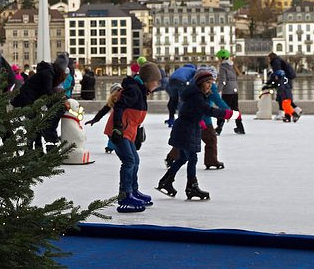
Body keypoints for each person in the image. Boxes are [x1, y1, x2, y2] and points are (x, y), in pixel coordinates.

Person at [156, 68, 234, 200]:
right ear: (200, 83)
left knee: (182, 158)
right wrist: (226, 113)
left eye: (212, 82)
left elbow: (190, 110)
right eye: (208, 82)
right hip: (187, 129)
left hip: (185, 127)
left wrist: (199, 121)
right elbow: (207, 109)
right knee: (192, 158)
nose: (210, 85)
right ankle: (191, 187)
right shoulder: (196, 95)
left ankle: (166, 181)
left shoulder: (193, 93)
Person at [104, 61, 161, 213]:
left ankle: (133, 190)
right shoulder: (133, 89)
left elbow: (134, 117)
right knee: (129, 161)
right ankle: (124, 196)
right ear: (148, 79)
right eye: (155, 80)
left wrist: (135, 136)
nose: (156, 84)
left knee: (135, 160)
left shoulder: (140, 90)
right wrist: (116, 128)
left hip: (127, 132)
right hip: (119, 131)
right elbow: (119, 107)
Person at [10, 53, 70, 151]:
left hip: (31, 100)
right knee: (34, 126)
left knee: (36, 126)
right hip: (27, 101)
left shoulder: (49, 72)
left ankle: (37, 150)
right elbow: (47, 93)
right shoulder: (48, 73)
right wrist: (56, 105)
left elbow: (48, 92)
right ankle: (30, 151)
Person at [86, 82, 122, 153]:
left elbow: (104, 110)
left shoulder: (120, 96)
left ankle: (113, 146)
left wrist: (95, 119)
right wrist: (95, 119)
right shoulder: (119, 96)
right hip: (121, 118)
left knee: (113, 131)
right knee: (113, 131)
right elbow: (105, 109)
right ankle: (111, 146)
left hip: (120, 118)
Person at [215, 49, 244, 134]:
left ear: (222, 58)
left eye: (219, 58)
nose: (218, 60)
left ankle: (219, 128)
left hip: (227, 91)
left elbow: (223, 80)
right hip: (235, 90)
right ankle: (240, 127)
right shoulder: (232, 66)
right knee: (235, 109)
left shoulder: (223, 67)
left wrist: (218, 90)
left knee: (223, 109)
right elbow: (236, 79)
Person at [268, 52, 302, 117]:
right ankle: (290, 114)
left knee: (283, 99)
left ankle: (289, 114)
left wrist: (270, 83)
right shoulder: (279, 60)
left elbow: (277, 73)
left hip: (283, 83)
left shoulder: (276, 62)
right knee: (286, 99)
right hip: (287, 82)